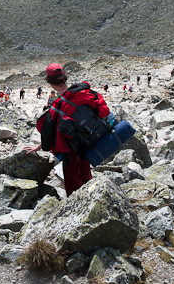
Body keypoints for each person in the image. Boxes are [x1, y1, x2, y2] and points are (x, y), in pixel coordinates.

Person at [24, 63, 110, 195]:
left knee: (72, 181)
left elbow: (51, 131)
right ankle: (92, 198)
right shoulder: (80, 92)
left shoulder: (60, 104)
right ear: (64, 77)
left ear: (50, 82)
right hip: (88, 141)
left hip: (72, 149)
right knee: (86, 175)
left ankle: (77, 208)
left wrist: (39, 146)